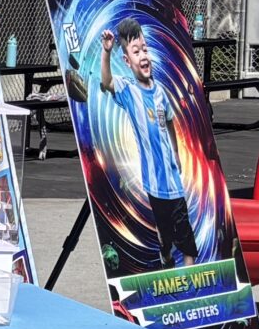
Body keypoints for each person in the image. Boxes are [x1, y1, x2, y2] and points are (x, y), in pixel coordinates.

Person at [74, 15, 198, 271]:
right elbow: (106, 82)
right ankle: (166, 257)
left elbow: (171, 123)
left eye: (144, 49)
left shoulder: (162, 92)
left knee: (183, 228)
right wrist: (106, 52)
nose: (143, 55)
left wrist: (175, 153)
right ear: (126, 61)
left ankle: (189, 271)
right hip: (153, 181)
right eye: (135, 51)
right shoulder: (128, 90)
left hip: (172, 179)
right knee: (164, 230)